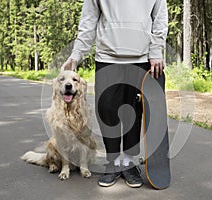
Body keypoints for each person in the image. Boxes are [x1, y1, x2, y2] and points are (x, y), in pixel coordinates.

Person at [62, 0, 168, 188]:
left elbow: (159, 17)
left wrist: (156, 50)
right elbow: (88, 20)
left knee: (133, 113)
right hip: (106, 57)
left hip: (141, 57)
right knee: (107, 110)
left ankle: (128, 163)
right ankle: (112, 162)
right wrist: (76, 54)